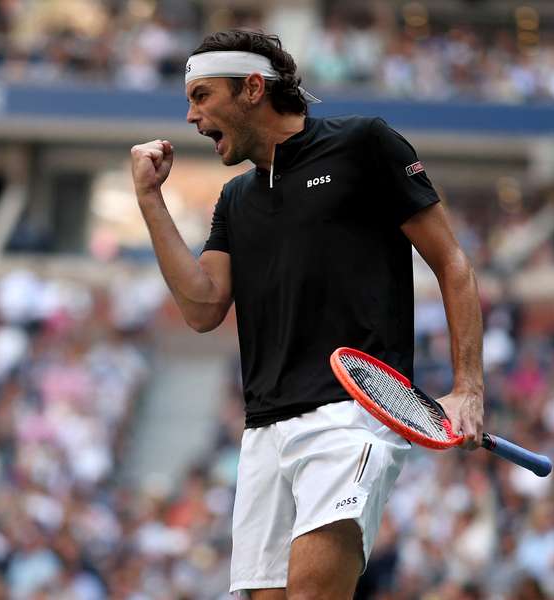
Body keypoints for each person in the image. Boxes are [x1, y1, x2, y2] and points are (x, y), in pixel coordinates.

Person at [130, 29, 484, 599]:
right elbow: (201, 307)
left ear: (251, 89)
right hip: (263, 433)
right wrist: (150, 202)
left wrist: (468, 386)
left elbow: (453, 263)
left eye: (201, 96)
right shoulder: (235, 199)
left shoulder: (365, 144)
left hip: (353, 415)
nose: (191, 117)